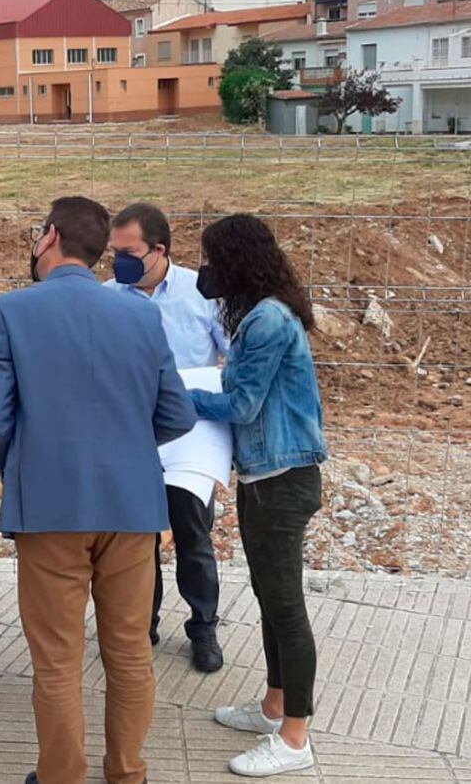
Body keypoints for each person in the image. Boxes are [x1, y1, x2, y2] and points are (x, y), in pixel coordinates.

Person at [0, 197, 197, 784]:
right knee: (130, 651)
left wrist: (21, 463)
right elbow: (177, 414)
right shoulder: (141, 314)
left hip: (48, 507)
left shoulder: (10, 310)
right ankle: (127, 773)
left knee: (57, 660)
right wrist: (128, 443)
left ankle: (61, 776)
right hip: (132, 504)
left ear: (49, 237)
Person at [187, 214, 327, 778]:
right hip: (264, 476)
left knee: (286, 608)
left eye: (214, 259)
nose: (208, 271)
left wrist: (180, 396)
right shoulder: (262, 313)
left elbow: (243, 406)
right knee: (271, 597)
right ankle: (274, 706)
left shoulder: (268, 320)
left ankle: (295, 739)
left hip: (281, 481)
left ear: (237, 262)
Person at [104, 202, 228, 673]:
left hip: (192, 434)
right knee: (136, 537)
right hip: (131, 433)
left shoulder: (201, 293)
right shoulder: (107, 297)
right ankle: (142, 623)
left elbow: (233, 357)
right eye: (115, 253)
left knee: (193, 534)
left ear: (159, 250)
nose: (120, 262)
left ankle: (203, 628)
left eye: (129, 253)